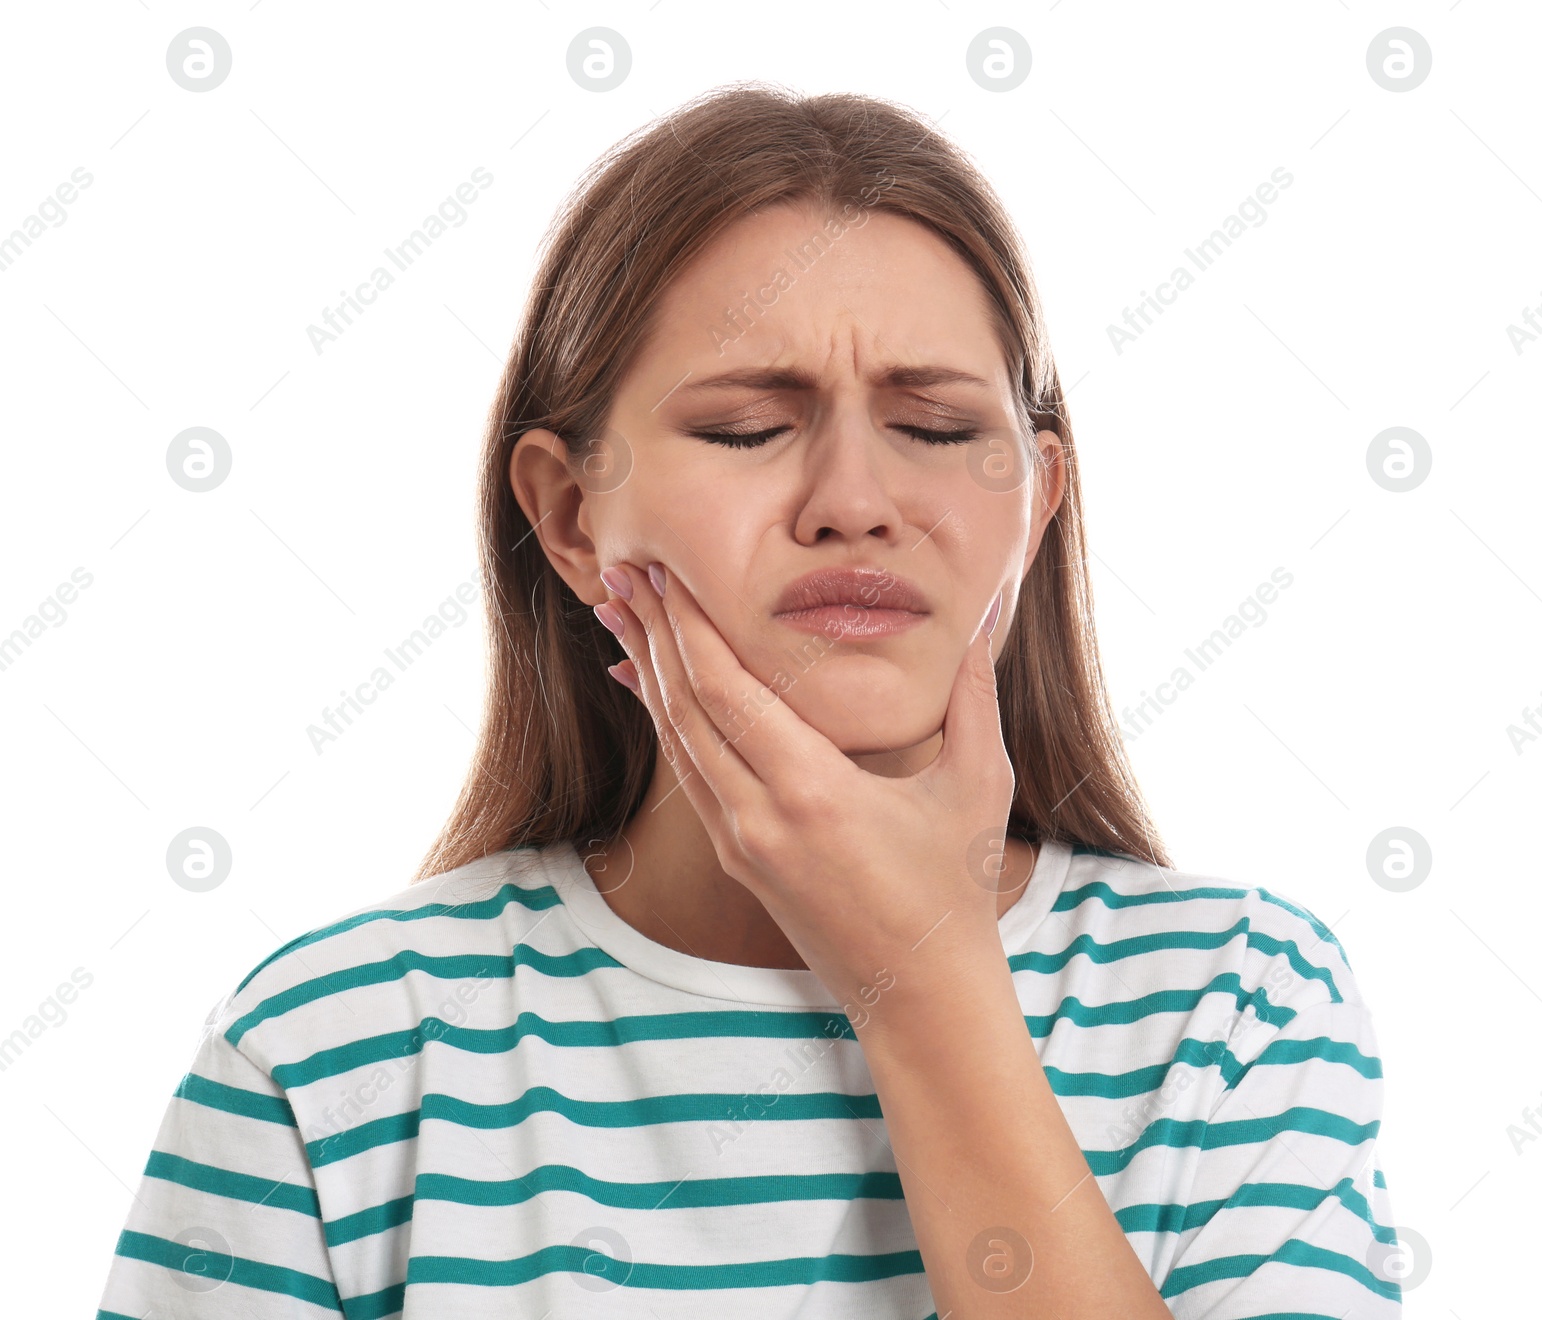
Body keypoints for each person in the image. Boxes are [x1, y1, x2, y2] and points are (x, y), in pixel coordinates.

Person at [95, 82, 1402, 1319]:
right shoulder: (333, 1050)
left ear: (1037, 505)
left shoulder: (1242, 1003)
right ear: (566, 514)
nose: (854, 501)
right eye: (743, 428)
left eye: (938, 430)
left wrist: (929, 983)